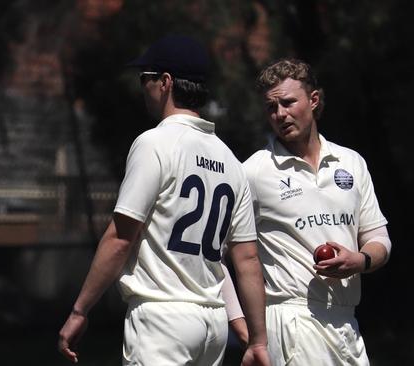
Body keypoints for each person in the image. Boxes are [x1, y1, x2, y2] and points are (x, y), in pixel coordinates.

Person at [57, 35, 270, 366]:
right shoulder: (230, 160)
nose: (143, 87)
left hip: (162, 318)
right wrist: (258, 339)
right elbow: (246, 259)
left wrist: (80, 309)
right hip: (212, 324)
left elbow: (120, 237)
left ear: (166, 82)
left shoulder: (155, 143)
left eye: (146, 78)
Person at [242, 58, 392, 365]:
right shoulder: (254, 171)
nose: (280, 114)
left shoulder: (350, 162)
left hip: (347, 323)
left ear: (313, 100)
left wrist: (360, 260)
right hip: (293, 320)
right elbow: (224, 252)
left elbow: (380, 239)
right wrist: (241, 324)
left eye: (287, 103)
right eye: (271, 107)